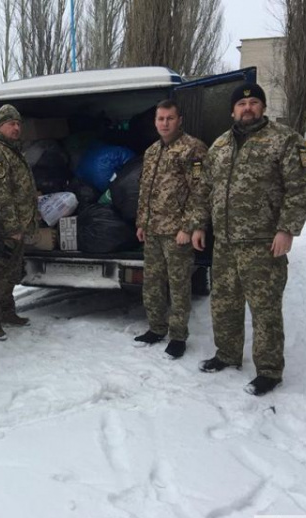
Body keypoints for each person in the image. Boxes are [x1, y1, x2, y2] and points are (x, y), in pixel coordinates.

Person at [191, 82, 306, 396]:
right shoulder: (219, 147)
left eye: (254, 103)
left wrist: (287, 229)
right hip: (226, 243)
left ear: (262, 108)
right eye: (242, 105)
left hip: (263, 243)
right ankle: (227, 354)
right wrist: (199, 225)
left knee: (265, 308)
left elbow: (300, 188)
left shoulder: (284, 140)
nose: (248, 108)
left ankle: (269, 371)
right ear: (233, 110)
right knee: (224, 304)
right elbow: (205, 190)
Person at [134, 99, 208, 359]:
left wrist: (189, 227)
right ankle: (156, 328)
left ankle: (177, 336)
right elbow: (145, 191)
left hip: (177, 233)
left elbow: (201, 191)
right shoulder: (152, 151)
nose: (164, 123)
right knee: (152, 283)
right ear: (155, 121)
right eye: (160, 119)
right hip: (153, 230)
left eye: (169, 118)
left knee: (178, 286)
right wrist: (141, 222)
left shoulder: (193, 149)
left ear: (179, 120)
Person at [0, 104, 39, 340]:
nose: (16, 128)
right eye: (11, 123)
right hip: (3, 229)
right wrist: (12, 227)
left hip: (17, 227)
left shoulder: (12, 149)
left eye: (18, 123)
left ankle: (7, 311)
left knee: (12, 272)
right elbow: (0, 193)